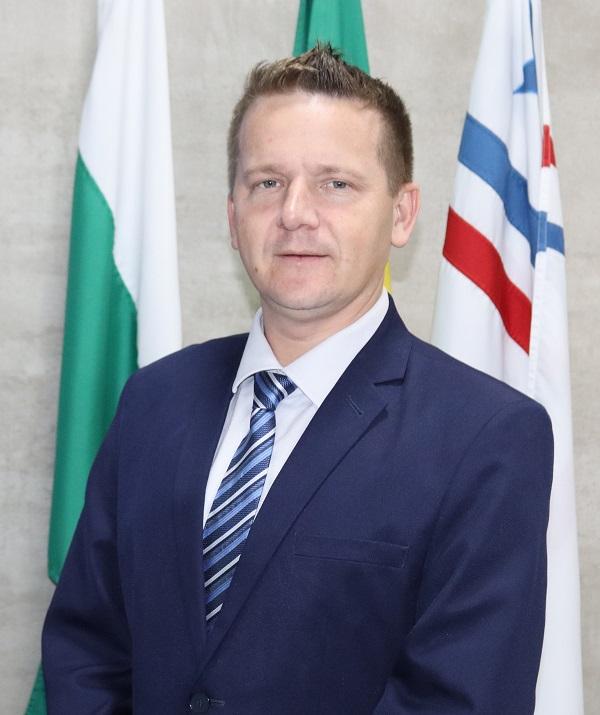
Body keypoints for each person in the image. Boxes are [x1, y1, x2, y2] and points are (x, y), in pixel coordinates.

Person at [42, 45, 553, 714]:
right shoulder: (154, 400)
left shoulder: (487, 436)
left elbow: (459, 699)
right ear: (233, 215)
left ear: (403, 213)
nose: (295, 213)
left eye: (335, 183)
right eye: (267, 182)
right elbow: (86, 647)